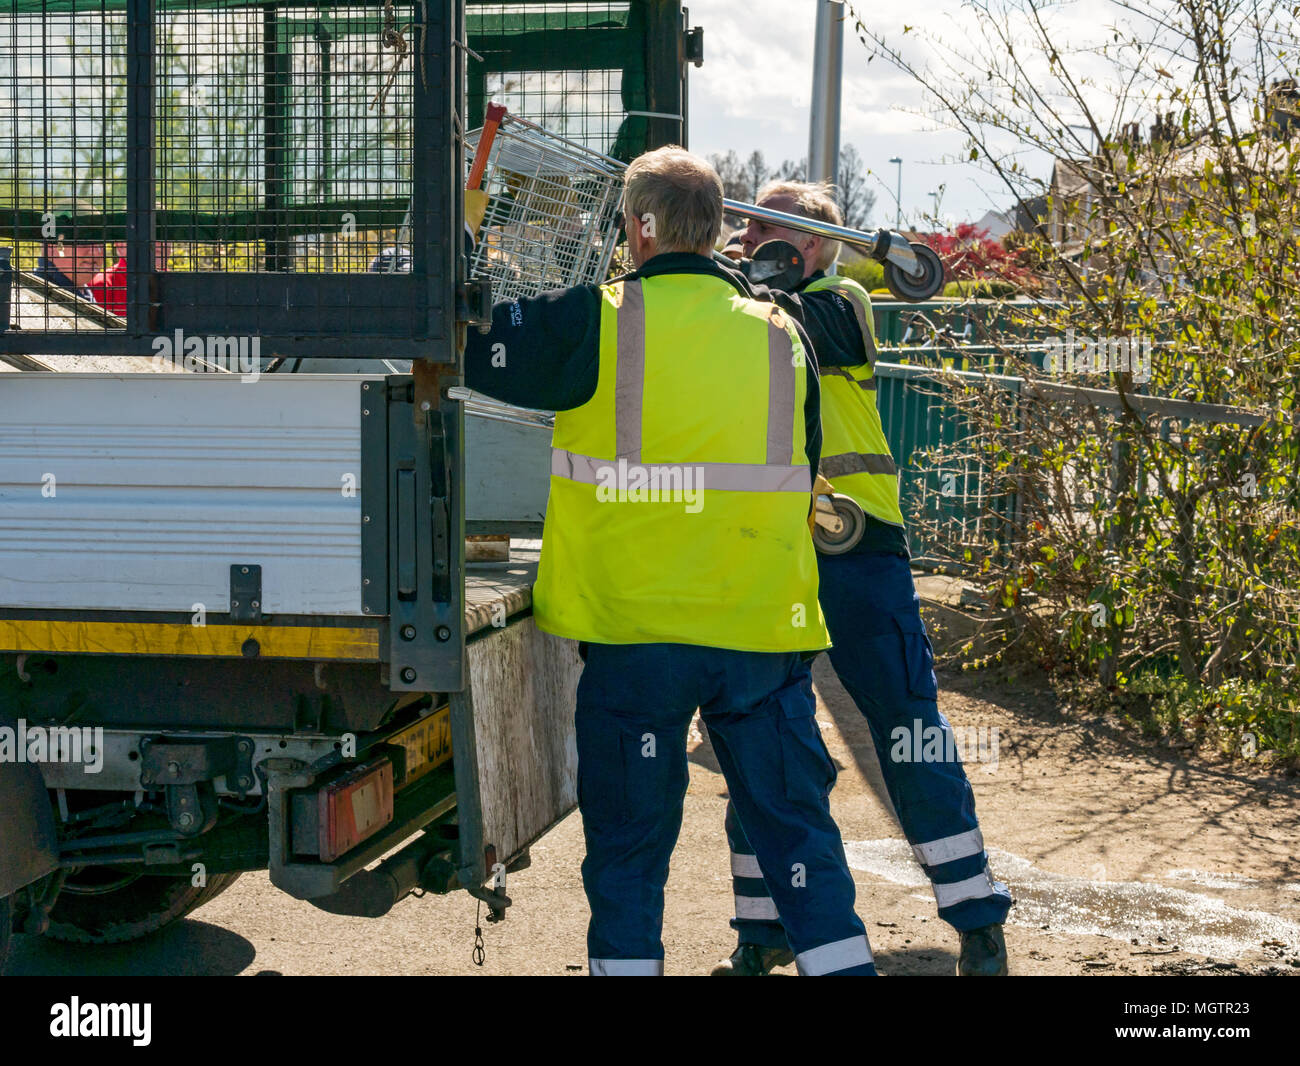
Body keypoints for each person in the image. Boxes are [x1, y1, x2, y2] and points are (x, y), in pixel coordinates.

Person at [462, 148, 876, 976]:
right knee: (799, 841)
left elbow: (467, 347)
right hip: (760, 637)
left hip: (636, 640)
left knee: (628, 855)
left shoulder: (595, 319)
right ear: (716, 229)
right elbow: (801, 465)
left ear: (639, 230)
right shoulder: (783, 333)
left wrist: (460, 248)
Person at [709, 180, 1013, 977]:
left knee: (907, 731)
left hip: (858, 550)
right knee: (761, 738)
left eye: (763, 226)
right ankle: (764, 927)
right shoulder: (735, 310)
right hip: (766, 552)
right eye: (741, 224)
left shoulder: (839, 299)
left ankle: (978, 917)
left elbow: (804, 330)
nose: (744, 236)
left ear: (809, 241)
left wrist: (747, 282)